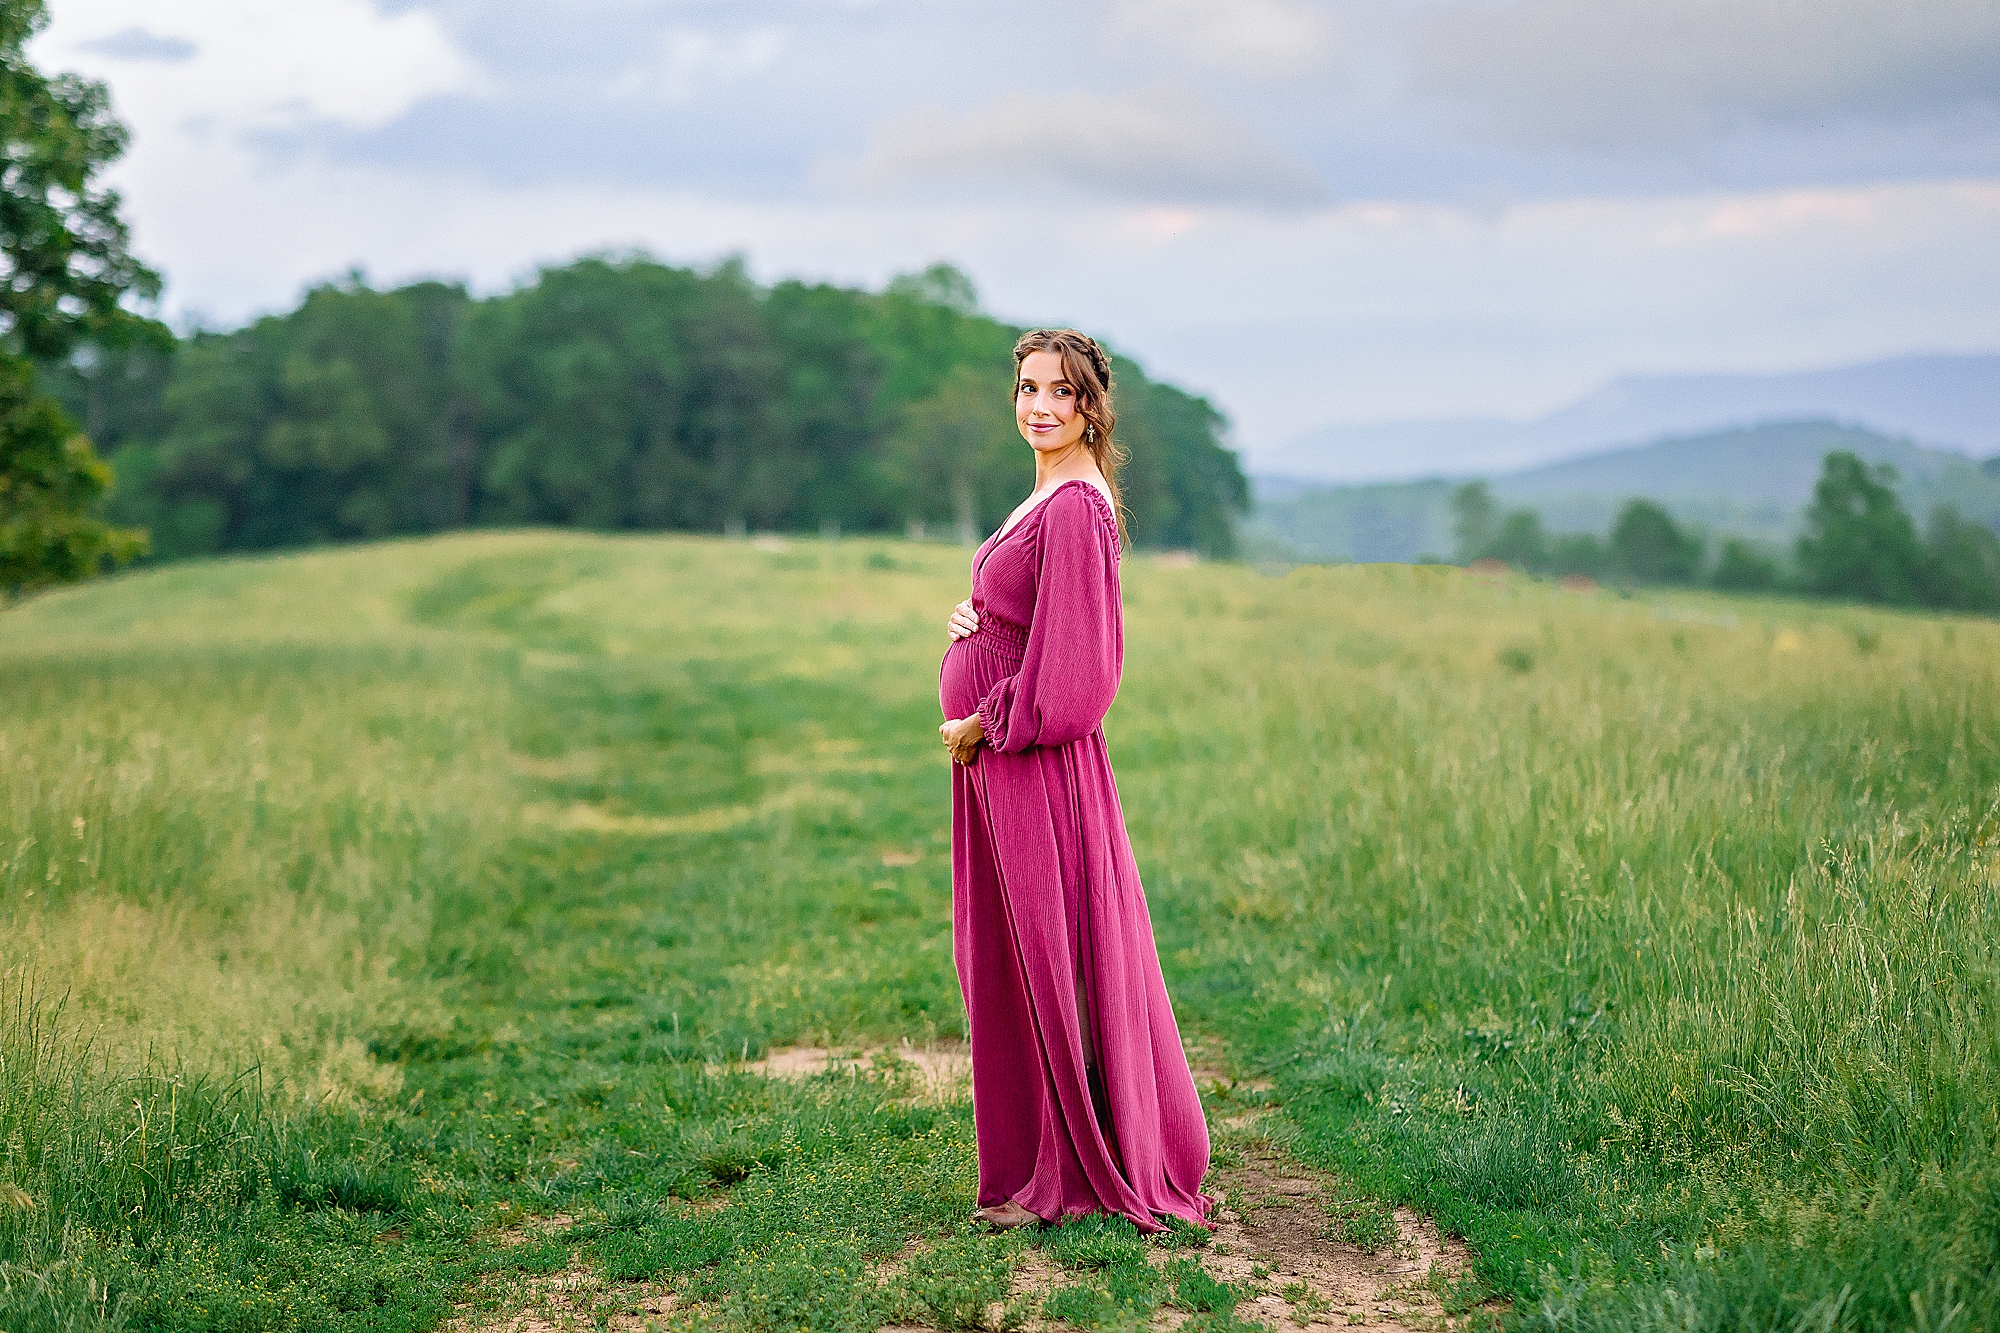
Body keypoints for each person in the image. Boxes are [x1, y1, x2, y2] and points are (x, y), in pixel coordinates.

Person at [937, 328, 1212, 1232]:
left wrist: (990, 717)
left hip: (1033, 762)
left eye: (1061, 391)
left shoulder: (1077, 507)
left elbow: (1082, 674)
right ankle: (1037, 1159)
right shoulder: (1047, 494)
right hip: (1005, 763)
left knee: (1049, 959)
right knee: (1015, 958)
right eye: (1026, 388)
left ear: (1094, 406)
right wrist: (978, 616)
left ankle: (1074, 1166)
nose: (1040, 405)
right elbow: (1034, 611)